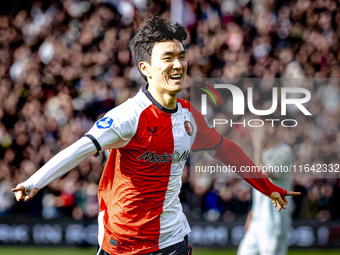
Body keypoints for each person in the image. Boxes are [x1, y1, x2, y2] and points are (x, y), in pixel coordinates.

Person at [12, 15, 299, 255]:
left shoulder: (189, 117)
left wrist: (266, 186)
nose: (178, 64)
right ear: (145, 68)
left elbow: (226, 150)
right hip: (122, 242)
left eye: (181, 56)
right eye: (168, 57)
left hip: (172, 239)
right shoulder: (128, 116)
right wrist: (35, 181)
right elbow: (79, 149)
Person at [237, 123, 294, 255]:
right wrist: (252, 213)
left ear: (271, 128)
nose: (254, 133)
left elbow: (263, 175)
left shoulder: (284, 151)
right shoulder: (263, 153)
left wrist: (258, 147)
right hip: (257, 223)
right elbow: (259, 190)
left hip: (274, 222)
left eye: (258, 128)